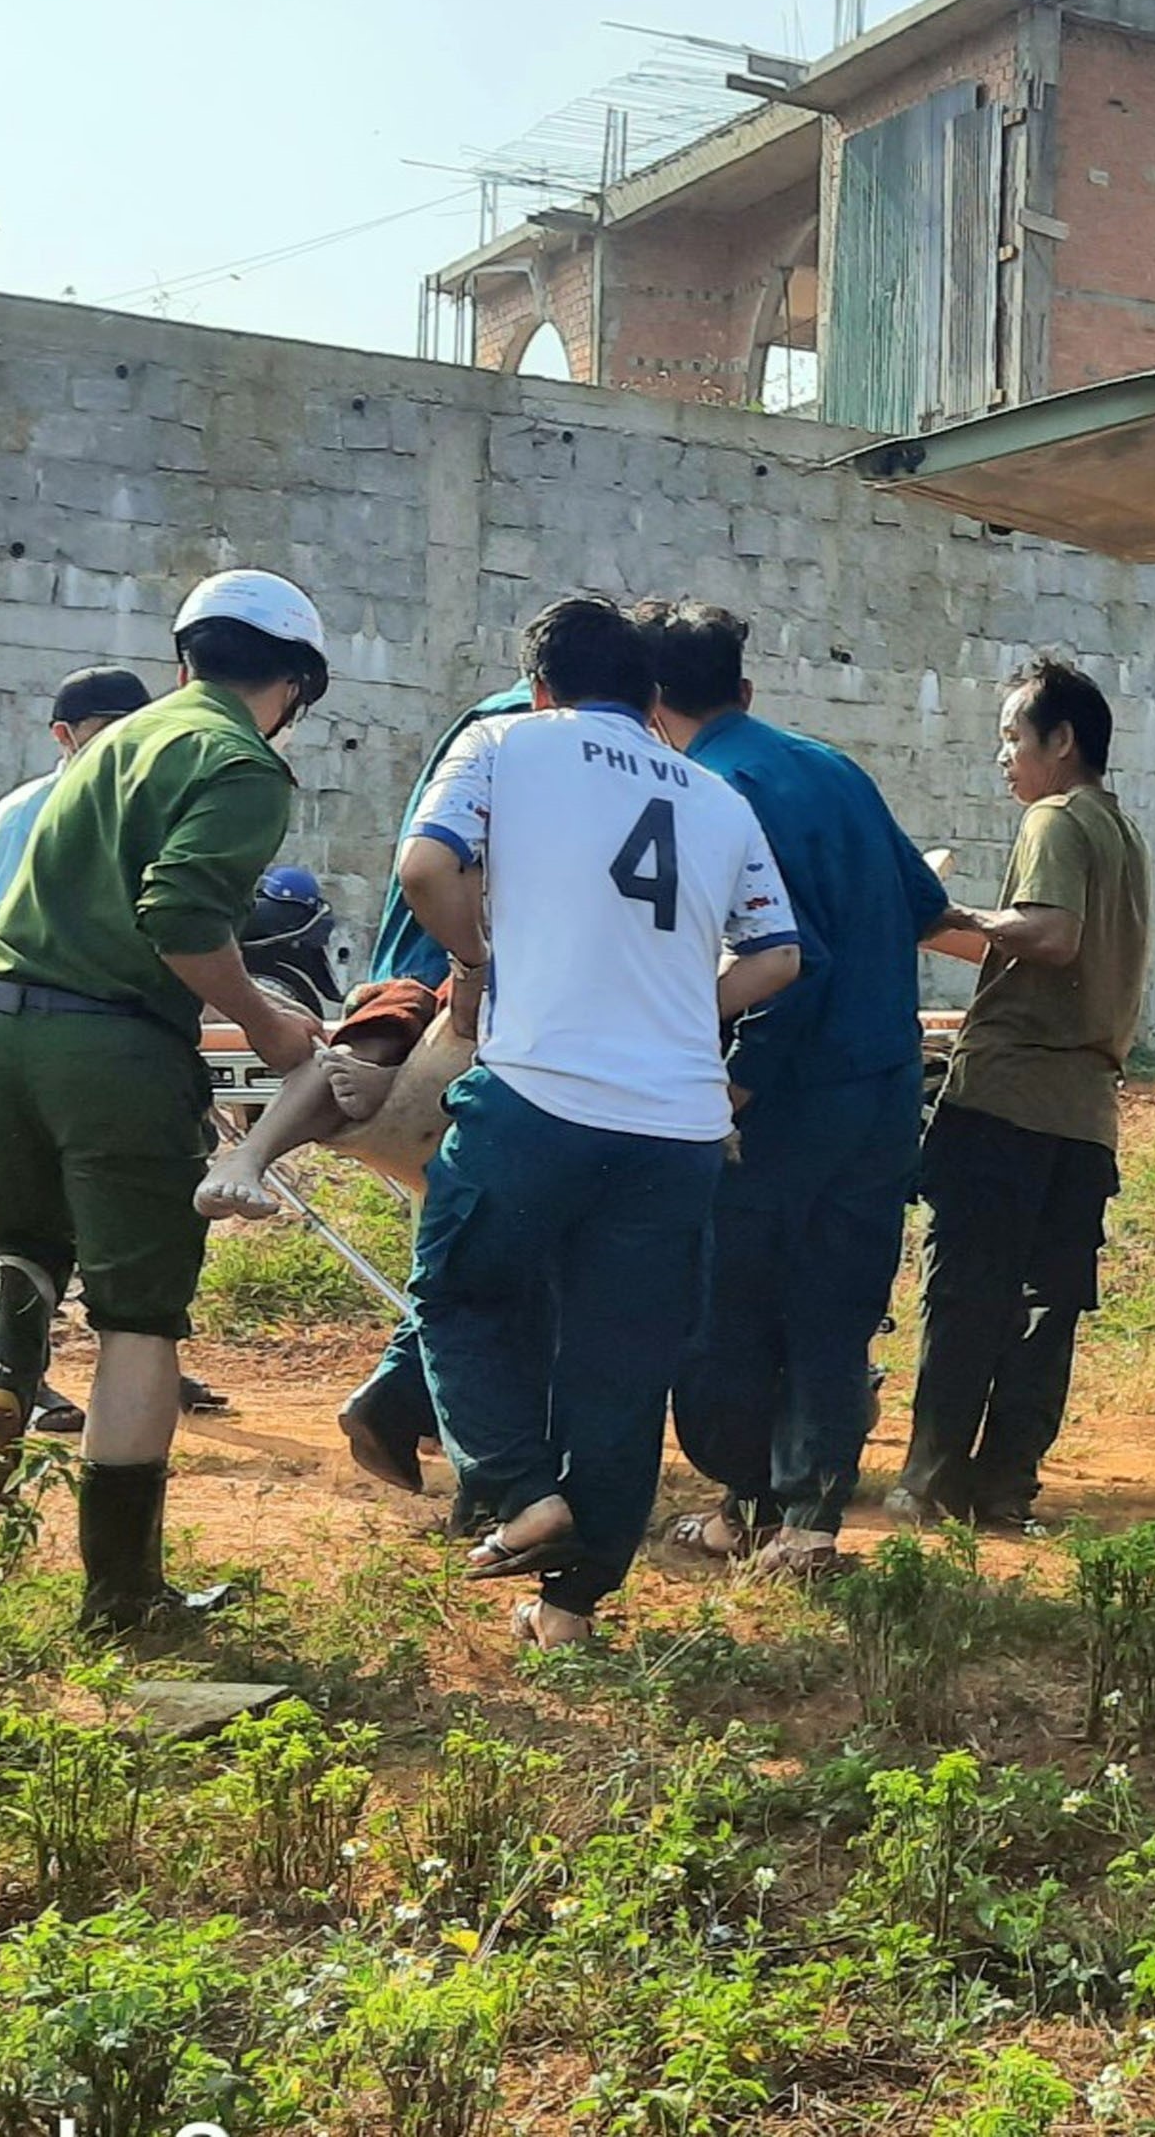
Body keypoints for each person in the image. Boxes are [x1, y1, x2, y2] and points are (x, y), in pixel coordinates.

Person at [397, 596, 804, 1646]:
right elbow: (776, 955)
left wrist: (476, 960)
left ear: (541, 688)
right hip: (678, 1124)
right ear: (651, 699)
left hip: (540, 1094)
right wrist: (678, 1008)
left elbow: (427, 867)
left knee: (460, 1290)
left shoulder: (504, 744)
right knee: (623, 1365)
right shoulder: (717, 796)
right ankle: (569, 1610)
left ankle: (520, 1489)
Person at [0, 570, 330, 1635]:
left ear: (184, 657)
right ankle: (123, 1595)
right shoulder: (239, 761)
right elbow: (182, 919)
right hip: (109, 1049)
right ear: (298, 683)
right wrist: (269, 1025)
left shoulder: (114, 742)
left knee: (17, 1241)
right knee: (138, 1322)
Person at [638, 601, 953, 1579]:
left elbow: (787, 962)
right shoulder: (834, 768)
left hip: (782, 1099)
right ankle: (804, 1526)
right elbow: (925, 905)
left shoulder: (706, 793)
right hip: (881, 1089)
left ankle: (746, 1503)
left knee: (735, 1311)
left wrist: (735, 1088)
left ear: (650, 703)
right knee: (834, 1310)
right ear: (744, 687)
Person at [196, 677, 537, 1510]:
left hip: (432, 985)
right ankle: (450, 1439)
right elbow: (451, 874)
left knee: (465, 1230)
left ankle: (405, 1400)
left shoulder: (493, 724)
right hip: (482, 991)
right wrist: (474, 974)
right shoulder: (529, 733)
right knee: (510, 1247)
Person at [891, 657, 1151, 1536]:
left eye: (1013, 737)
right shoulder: (1119, 833)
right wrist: (943, 929)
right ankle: (1006, 1489)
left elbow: (1049, 935)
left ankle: (930, 1483)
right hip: (1084, 1113)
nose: (1003, 756)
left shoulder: (1053, 818)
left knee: (966, 1292)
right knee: (1047, 1307)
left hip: (1006, 1100)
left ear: (1061, 740)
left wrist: (951, 910)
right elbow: (1036, 945)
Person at [0, 665, 238, 1435]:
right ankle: (61, 1375)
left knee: (43, 1233)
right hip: (91, 1033)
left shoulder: (60, 807)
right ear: (63, 735)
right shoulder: (48, 810)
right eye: (103, 728)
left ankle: (23, 1371)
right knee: (81, 1228)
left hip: (12, 1033)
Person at [0, 667, 154, 919]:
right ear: (63, 734)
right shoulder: (24, 816)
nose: (127, 741)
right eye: (109, 729)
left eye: (141, 727)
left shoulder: (153, 805)